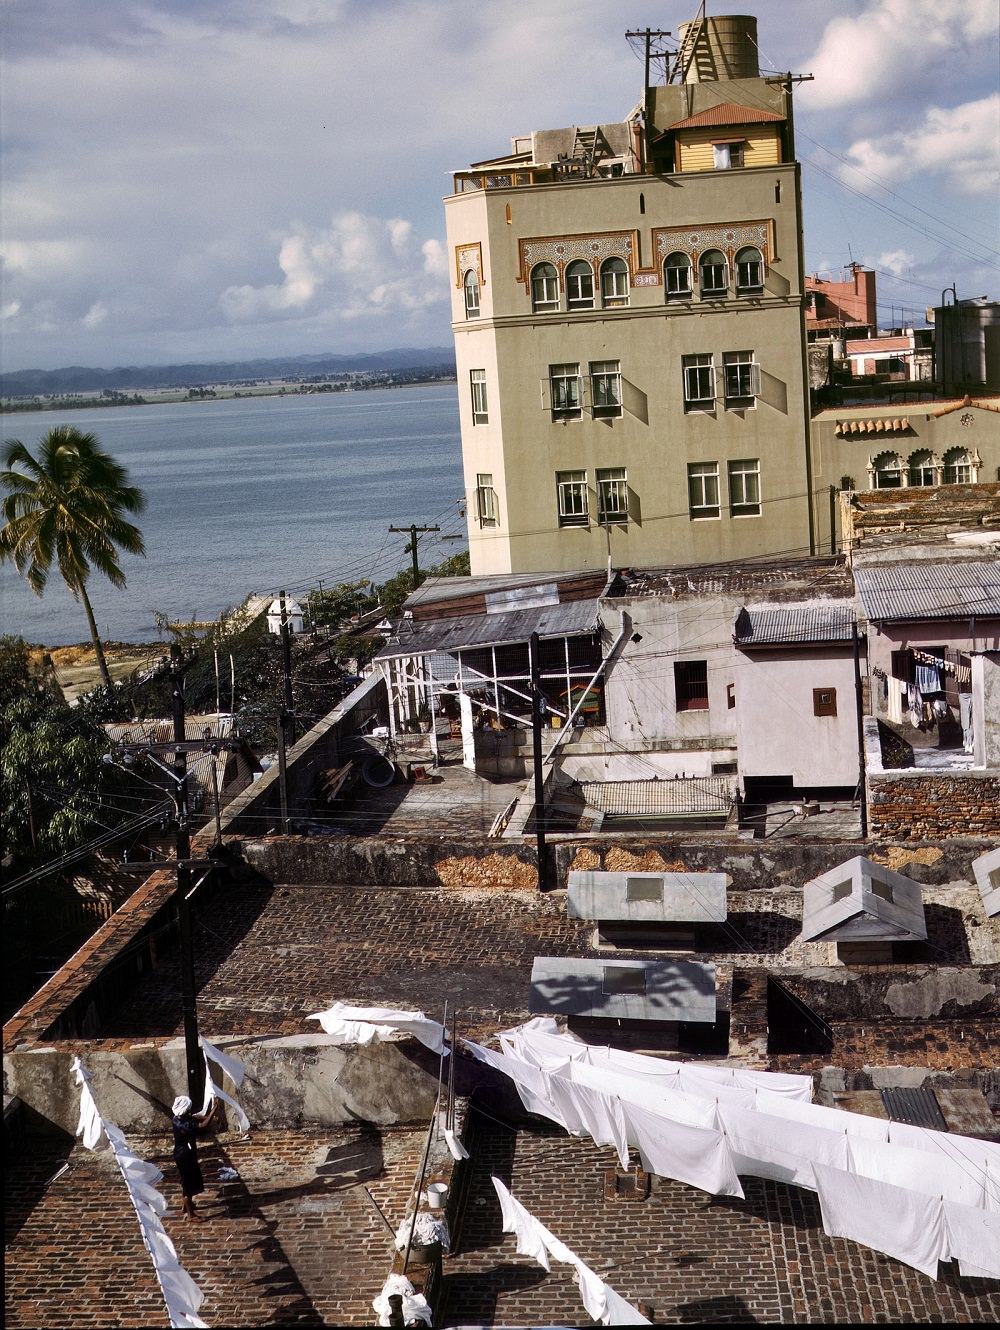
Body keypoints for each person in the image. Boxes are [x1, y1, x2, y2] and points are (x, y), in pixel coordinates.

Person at [171, 1095, 216, 1220]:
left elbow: (195, 1117)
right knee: (188, 1185)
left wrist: (210, 1117)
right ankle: (190, 1215)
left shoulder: (177, 1118)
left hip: (181, 1153)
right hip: (185, 1155)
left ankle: (187, 1206)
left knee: (186, 1180)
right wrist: (213, 1110)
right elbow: (202, 1126)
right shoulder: (184, 1126)